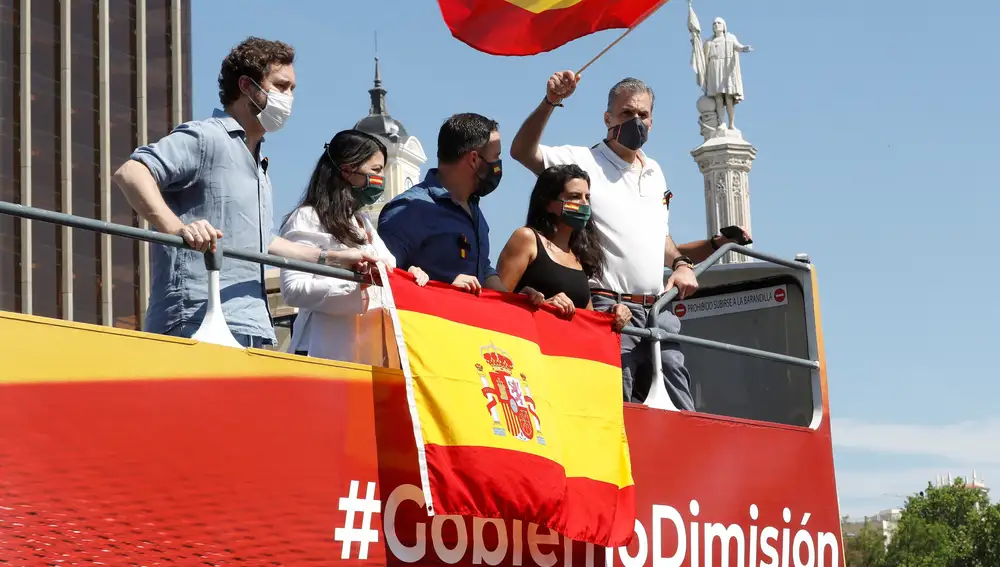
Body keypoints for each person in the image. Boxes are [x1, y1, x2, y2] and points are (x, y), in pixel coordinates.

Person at [112, 37, 376, 348]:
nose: (289, 97)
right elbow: (131, 172)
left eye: (292, 89)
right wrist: (179, 229)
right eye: (280, 86)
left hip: (254, 324)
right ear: (248, 87)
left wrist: (336, 259)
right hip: (197, 318)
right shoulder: (205, 136)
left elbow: (265, 241)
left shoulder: (259, 164)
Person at [509, 71, 750, 410]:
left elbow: (658, 236)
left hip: (659, 311)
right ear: (607, 118)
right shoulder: (581, 162)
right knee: (614, 405)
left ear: (653, 122)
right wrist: (551, 102)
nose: (635, 120)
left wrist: (687, 259)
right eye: (626, 113)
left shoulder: (655, 172)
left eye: (643, 115)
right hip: (610, 307)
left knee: (679, 407)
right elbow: (521, 151)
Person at [278, 130, 429, 365]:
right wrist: (357, 286)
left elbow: (386, 274)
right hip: (325, 354)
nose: (381, 179)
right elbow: (293, 289)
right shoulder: (307, 217)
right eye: (376, 170)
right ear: (347, 170)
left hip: (371, 356)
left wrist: (408, 278)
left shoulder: (362, 223)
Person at [377, 113, 507, 295]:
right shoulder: (410, 209)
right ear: (474, 159)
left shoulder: (473, 209)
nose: (498, 165)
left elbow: (483, 269)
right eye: (496, 156)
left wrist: (520, 301)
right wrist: (445, 287)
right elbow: (382, 273)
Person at [496, 164, 631, 331]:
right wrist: (543, 306)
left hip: (566, 353)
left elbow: (587, 319)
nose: (584, 204)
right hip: (529, 347)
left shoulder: (579, 255)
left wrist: (613, 314)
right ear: (548, 204)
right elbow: (496, 301)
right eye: (574, 196)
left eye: (587, 197)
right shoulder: (527, 239)